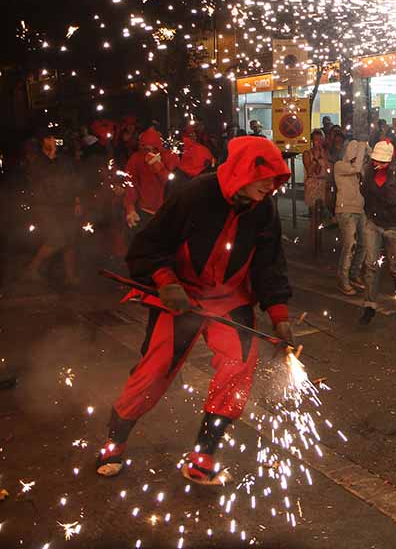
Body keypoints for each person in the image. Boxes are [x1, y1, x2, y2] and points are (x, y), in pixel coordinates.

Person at [96, 136, 296, 484]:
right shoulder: (195, 194)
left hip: (231, 300)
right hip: (182, 297)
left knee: (238, 369)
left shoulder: (264, 209)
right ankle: (115, 440)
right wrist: (166, 280)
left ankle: (203, 455)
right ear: (243, 171)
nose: (271, 186)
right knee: (154, 370)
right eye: (266, 178)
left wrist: (279, 313)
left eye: (276, 180)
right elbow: (150, 244)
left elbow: (268, 262)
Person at [22, 127, 82, 287]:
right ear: (43, 141)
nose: (53, 141)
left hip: (65, 205)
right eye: (49, 138)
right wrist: (50, 156)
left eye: (54, 138)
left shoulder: (64, 160)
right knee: (57, 238)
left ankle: (70, 277)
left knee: (70, 240)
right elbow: (41, 179)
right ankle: (32, 268)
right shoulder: (38, 161)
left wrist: (76, 201)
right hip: (45, 207)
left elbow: (73, 181)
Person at [359, 140, 396, 324]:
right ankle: (369, 305)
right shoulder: (369, 169)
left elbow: (392, 197)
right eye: (375, 161)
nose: (376, 164)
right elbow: (363, 191)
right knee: (371, 264)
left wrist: (382, 178)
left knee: (395, 267)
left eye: (381, 162)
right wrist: (373, 178)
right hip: (374, 221)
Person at [124, 127, 179, 231]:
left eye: (153, 149)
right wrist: (130, 208)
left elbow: (173, 185)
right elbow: (131, 185)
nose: (149, 152)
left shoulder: (170, 157)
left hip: (167, 213)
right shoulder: (136, 159)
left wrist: (159, 168)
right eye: (145, 149)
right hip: (145, 213)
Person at [334, 140, 368, 295]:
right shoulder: (340, 165)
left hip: (360, 210)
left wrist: (367, 146)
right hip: (345, 210)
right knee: (350, 245)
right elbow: (356, 167)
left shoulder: (360, 166)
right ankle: (343, 279)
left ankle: (354, 274)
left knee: (364, 244)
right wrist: (361, 147)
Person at [302, 129, 330, 248]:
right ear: (312, 140)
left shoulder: (325, 153)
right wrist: (316, 160)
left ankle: (320, 242)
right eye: (316, 139)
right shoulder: (307, 153)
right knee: (313, 214)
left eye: (320, 139)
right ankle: (313, 243)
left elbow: (328, 169)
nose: (318, 142)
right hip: (313, 183)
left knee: (321, 214)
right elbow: (309, 170)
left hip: (323, 183)